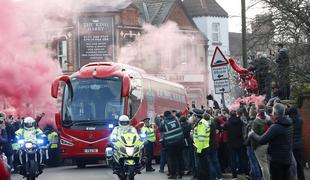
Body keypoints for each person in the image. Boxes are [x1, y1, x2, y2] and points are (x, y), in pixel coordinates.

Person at [249, 103, 293, 180]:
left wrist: (252, 134)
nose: (271, 114)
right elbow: (278, 127)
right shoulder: (289, 124)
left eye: (272, 113)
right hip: (287, 158)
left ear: (275, 114)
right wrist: (269, 121)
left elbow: (262, 140)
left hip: (277, 161)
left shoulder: (275, 127)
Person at [223, 109, 248, 180]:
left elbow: (224, 132)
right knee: (242, 158)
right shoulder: (240, 121)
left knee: (233, 160)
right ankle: (245, 173)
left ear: (230, 115)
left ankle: (234, 176)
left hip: (231, 144)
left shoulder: (227, 123)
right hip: (240, 142)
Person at [160, 111, 184, 179]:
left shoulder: (164, 122)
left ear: (165, 116)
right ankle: (180, 173)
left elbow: (160, 129)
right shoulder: (176, 119)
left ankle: (174, 175)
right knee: (180, 158)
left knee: (172, 159)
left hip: (170, 143)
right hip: (180, 142)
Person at [191, 108, 210, 180]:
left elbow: (201, 139)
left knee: (202, 168)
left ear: (196, 116)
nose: (192, 117)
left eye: (193, 115)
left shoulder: (201, 124)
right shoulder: (201, 122)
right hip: (203, 147)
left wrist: (198, 150)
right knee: (204, 167)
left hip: (201, 148)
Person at [288, 107, 305, 180]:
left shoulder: (289, 121)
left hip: (291, 146)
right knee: (300, 166)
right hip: (299, 146)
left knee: (291, 166)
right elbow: (298, 116)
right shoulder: (300, 120)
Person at [205, 113, 222, 180]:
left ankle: (213, 177)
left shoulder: (206, 126)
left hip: (208, 146)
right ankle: (219, 176)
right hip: (214, 145)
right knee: (216, 161)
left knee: (210, 163)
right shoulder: (213, 124)